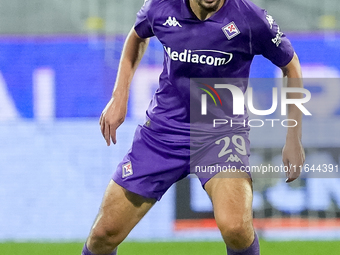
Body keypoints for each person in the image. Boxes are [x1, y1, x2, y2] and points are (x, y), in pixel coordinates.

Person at [82, 0, 305, 254]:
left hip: (221, 136)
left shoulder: (250, 18)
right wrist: (119, 95)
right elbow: (137, 35)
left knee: (236, 228)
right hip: (162, 134)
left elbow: (291, 66)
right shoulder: (161, 6)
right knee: (103, 235)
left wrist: (294, 137)